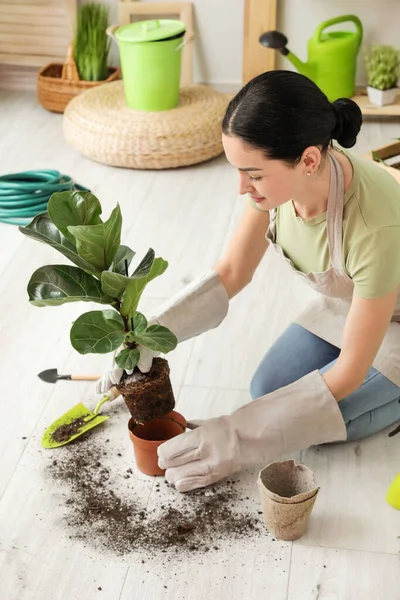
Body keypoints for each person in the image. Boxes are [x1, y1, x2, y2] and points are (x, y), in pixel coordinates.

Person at [97, 70, 400, 493]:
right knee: (267, 390)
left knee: (322, 426)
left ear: (309, 160)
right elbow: (233, 272)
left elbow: (349, 371)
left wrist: (236, 437)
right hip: (358, 301)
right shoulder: (279, 187)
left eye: (253, 174)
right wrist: (147, 336)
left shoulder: (373, 228)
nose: (242, 187)